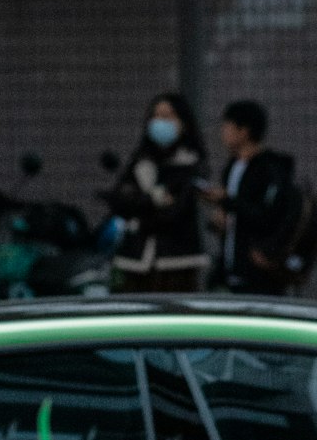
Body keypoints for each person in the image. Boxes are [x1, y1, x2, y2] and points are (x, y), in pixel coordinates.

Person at [108, 92, 208, 291]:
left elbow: (175, 212)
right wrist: (154, 199)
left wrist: (141, 209)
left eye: (168, 116)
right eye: (156, 116)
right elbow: (119, 202)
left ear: (183, 122)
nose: (160, 122)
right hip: (135, 260)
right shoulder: (140, 162)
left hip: (178, 262)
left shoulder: (191, 164)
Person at [201, 99, 297, 294]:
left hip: (260, 271)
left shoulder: (270, 170)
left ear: (244, 130)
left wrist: (226, 201)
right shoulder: (232, 167)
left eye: (227, 126)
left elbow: (266, 216)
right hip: (231, 266)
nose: (223, 133)